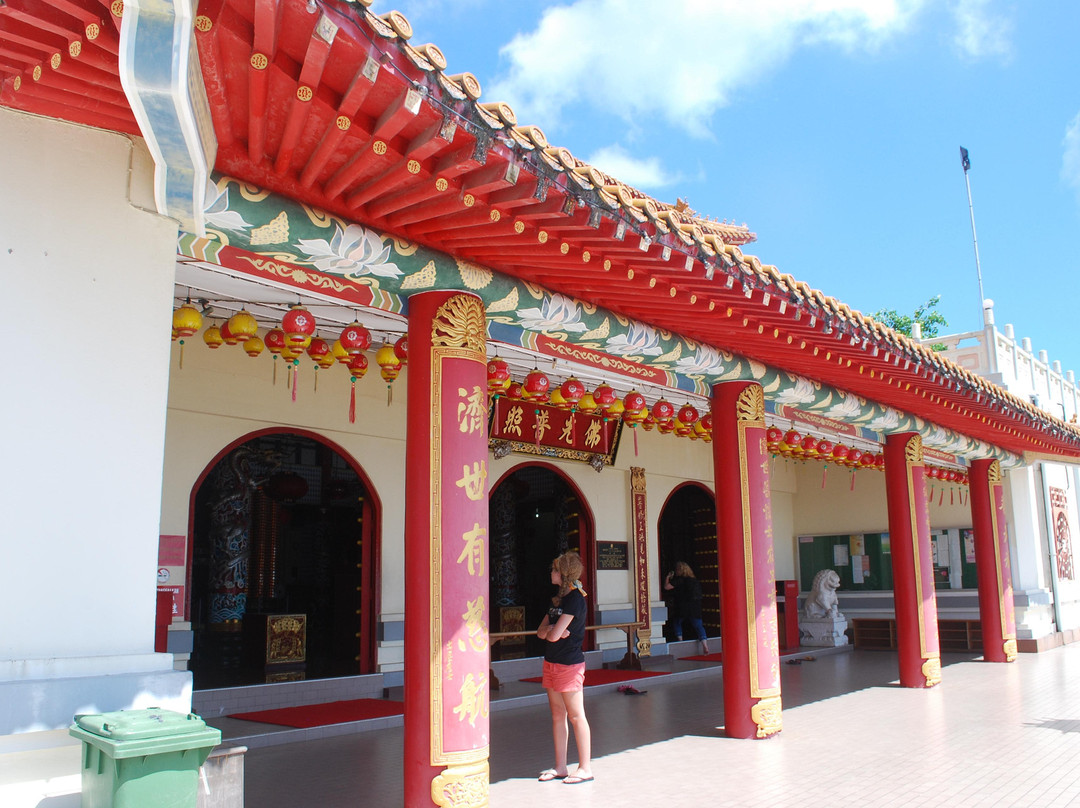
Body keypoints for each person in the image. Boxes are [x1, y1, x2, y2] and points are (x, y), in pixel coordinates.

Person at [535, 551, 594, 785]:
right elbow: (541, 632)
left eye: (555, 569)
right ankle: (560, 766)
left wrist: (551, 632)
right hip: (551, 661)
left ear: (564, 573)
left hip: (569, 664)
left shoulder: (575, 600)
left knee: (576, 716)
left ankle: (585, 767)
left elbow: (550, 635)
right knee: (558, 715)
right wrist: (552, 631)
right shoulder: (557, 600)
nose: (551, 573)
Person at [664, 561, 709, 654]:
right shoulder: (694, 581)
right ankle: (705, 645)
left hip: (683, 605)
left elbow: (667, 587)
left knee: (677, 622)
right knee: (698, 626)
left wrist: (668, 577)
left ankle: (680, 641)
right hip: (695, 606)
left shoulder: (680, 580)